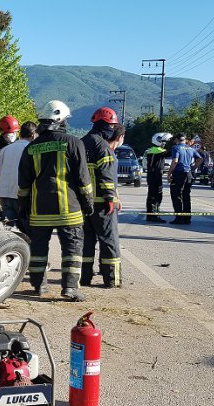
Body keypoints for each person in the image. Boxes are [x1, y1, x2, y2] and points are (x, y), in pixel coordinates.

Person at [18, 100, 93, 301]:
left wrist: (23, 206)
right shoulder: (74, 143)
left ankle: (39, 287)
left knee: (38, 250)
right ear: (60, 120)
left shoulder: (31, 148)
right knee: (72, 248)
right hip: (69, 209)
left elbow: (24, 182)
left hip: (39, 209)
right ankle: (70, 288)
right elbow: (83, 179)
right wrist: (88, 202)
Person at [81, 108, 123, 288]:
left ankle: (84, 278)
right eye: (112, 126)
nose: (114, 129)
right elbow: (107, 176)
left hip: (82, 204)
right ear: (106, 126)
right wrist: (110, 198)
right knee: (109, 242)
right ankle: (111, 280)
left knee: (85, 243)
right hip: (102, 205)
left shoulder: (79, 143)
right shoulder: (103, 147)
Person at [0, 121, 37, 229]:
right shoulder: (32, 150)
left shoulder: (5, 150)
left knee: (9, 231)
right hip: (24, 196)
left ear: (20, 134)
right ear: (33, 135)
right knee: (28, 231)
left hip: (5, 195)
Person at [167, 134, 203, 225]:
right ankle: (187, 218)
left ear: (176, 140)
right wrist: (193, 168)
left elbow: (175, 161)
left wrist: (169, 173)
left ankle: (179, 218)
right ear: (185, 140)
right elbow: (200, 159)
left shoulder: (176, 148)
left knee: (176, 195)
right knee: (186, 196)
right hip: (188, 174)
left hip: (179, 173)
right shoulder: (190, 148)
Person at [144, 132, 172, 223]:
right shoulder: (158, 150)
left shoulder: (151, 150)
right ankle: (154, 216)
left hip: (151, 175)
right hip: (155, 176)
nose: (164, 144)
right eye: (163, 142)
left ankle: (150, 215)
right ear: (158, 141)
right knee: (156, 196)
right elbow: (170, 153)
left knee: (151, 195)